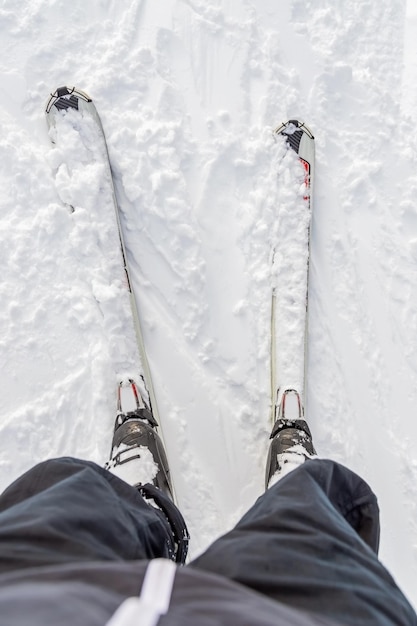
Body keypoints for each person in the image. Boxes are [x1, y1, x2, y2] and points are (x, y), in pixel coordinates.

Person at [0, 384, 415, 626]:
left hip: (35, 597)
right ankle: (289, 489)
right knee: (319, 505)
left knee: (64, 493)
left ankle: (142, 509)